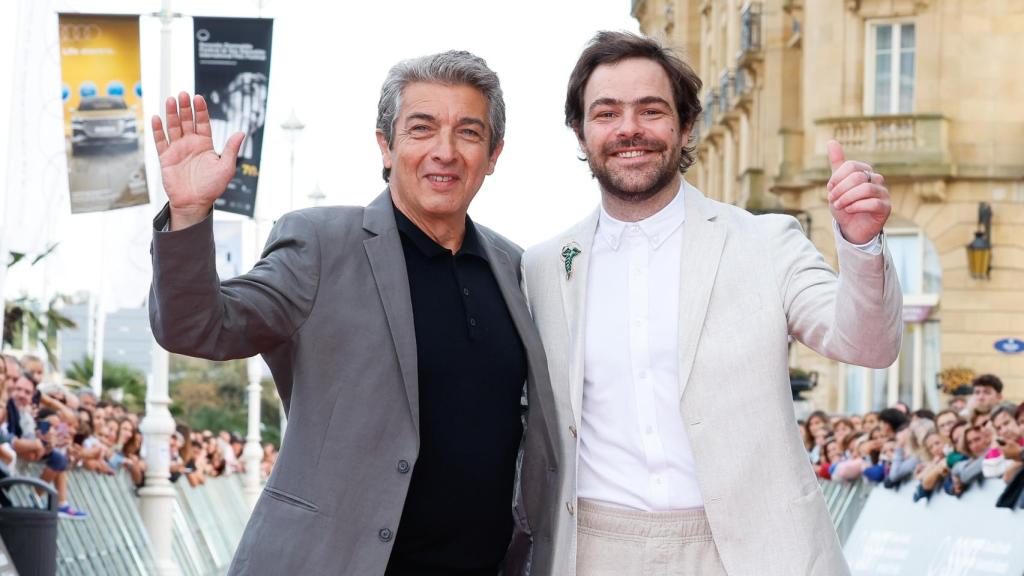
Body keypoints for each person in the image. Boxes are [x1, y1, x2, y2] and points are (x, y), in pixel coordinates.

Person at [148, 50, 557, 576]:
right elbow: (199, 327)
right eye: (422, 129)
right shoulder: (321, 243)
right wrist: (188, 214)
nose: (445, 151)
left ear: (494, 154)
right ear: (386, 146)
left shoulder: (516, 267)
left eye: (469, 133)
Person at [520, 31, 902, 575]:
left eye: (650, 110)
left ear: (686, 124)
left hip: (752, 552)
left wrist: (861, 244)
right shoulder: (541, 267)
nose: (629, 129)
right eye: (606, 113)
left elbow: (869, 343)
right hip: (591, 551)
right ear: (581, 133)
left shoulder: (766, 242)